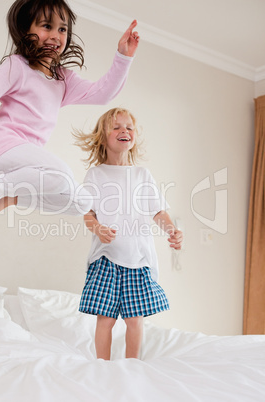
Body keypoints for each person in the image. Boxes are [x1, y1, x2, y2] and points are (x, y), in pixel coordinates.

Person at [0, 0, 140, 232]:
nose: (55, 35)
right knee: (62, 175)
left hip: (27, 169)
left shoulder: (62, 79)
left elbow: (103, 93)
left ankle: (9, 198)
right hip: (3, 150)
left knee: (82, 202)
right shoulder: (16, 67)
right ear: (25, 30)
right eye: (46, 26)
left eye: (62, 29)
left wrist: (123, 57)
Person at [74, 107, 183, 360]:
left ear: (134, 137)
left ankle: (132, 366)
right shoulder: (96, 175)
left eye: (129, 127)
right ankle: (102, 365)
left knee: (135, 321)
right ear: (103, 137)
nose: (124, 130)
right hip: (106, 259)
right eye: (116, 127)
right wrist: (99, 228)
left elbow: (158, 212)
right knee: (106, 320)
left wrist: (172, 230)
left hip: (138, 259)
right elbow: (88, 214)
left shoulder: (142, 175)